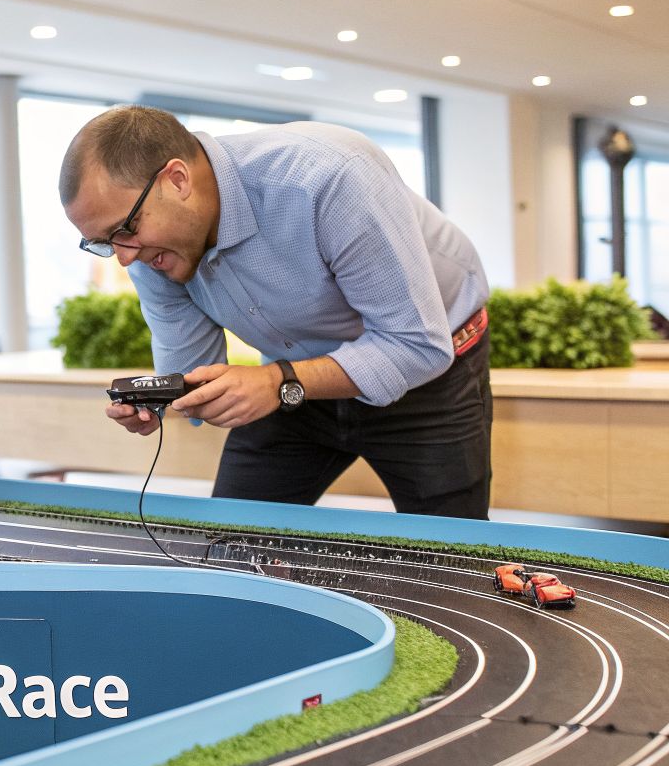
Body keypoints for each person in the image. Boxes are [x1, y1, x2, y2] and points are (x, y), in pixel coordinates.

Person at [60, 105, 492, 518]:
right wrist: (158, 401)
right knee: (233, 541)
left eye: (124, 231)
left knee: (451, 557)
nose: (123, 258)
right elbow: (192, 370)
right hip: (292, 377)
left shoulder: (330, 175)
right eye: (103, 242)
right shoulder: (149, 248)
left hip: (429, 370)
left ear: (177, 179)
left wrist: (278, 381)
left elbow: (416, 344)